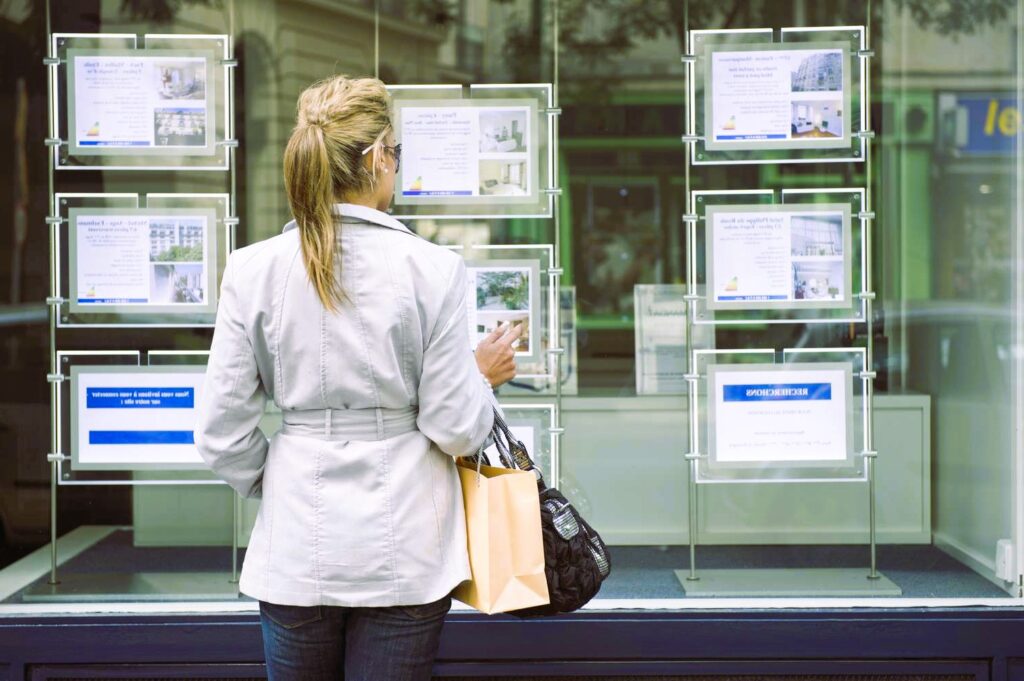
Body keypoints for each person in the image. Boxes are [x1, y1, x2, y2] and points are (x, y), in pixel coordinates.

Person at [194, 75, 522, 681]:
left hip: (295, 546)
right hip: (407, 545)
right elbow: (454, 428)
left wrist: (286, 477)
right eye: (395, 154)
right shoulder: (434, 269)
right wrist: (480, 378)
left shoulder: (252, 269)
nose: (395, 167)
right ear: (375, 159)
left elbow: (220, 433)